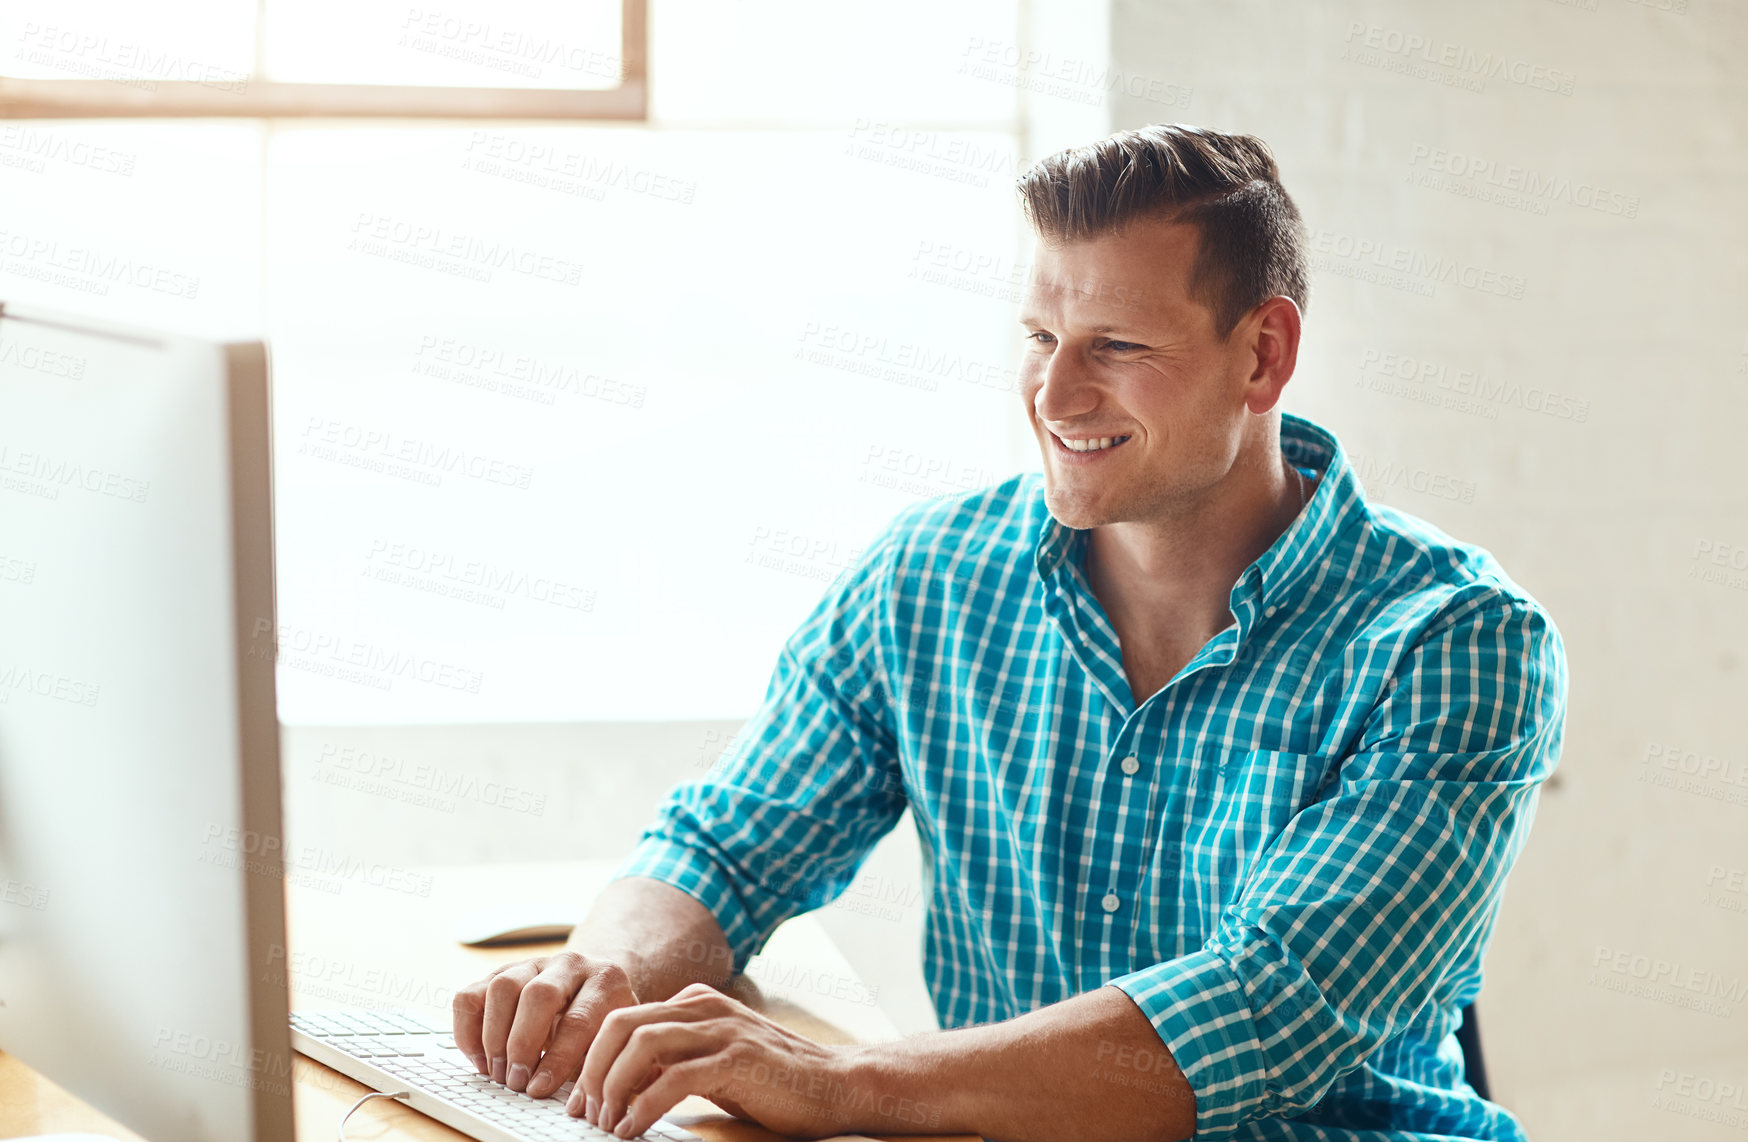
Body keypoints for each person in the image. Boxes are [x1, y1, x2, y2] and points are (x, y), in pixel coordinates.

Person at [452, 123, 1567, 1142]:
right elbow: (724, 845)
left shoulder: (1454, 642)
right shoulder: (929, 578)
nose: (1054, 393)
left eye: (1116, 345)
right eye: (1039, 334)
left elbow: (1263, 1010)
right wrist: (599, 979)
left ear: (1263, 355)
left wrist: (836, 1080)